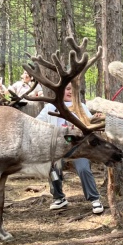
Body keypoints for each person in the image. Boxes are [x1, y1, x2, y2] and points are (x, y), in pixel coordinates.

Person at [37, 86, 105, 215]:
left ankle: (94, 198)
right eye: (67, 89)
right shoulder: (50, 108)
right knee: (52, 169)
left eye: (72, 90)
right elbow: (37, 123)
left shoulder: (81, 107)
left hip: (77, 147)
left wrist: (96, 118)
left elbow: (90, 123)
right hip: (58, 149)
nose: (70, 92)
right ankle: (59, 197)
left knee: (84, 169)